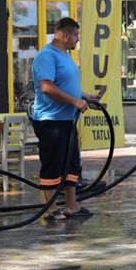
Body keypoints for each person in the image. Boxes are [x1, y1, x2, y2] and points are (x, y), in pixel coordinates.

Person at [31, 17, 97, 220]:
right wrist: (75, 102)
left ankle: (71, 205)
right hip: (52, 120)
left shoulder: (65, 55)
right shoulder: (47, 56)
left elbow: (66, 83)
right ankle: (50, 209)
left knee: (71, 164)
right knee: (54, 163)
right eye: (76, 35)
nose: (78, 39)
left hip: (67, 120)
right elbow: (47, 87)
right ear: (65, 34)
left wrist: (85, 97)